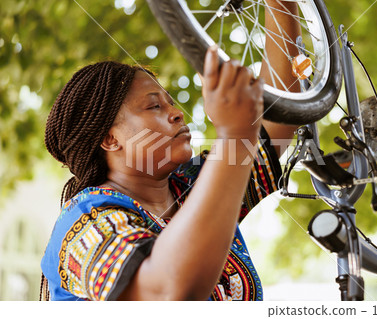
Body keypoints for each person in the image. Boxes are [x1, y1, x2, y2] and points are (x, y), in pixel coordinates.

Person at [40, 1, 300, 301]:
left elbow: (278, 121)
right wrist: (234, 134)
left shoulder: (191, 186)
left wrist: (281, 5)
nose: (177, 114)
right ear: (111, 139)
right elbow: (167, 292)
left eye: (170, 103)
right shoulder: (87, 225)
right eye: (154, 106)